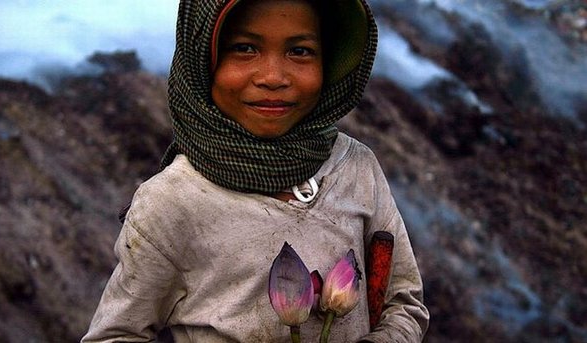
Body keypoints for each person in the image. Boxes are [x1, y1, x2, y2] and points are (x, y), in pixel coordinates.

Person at [82, 0, 429, 342]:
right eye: (245, 48)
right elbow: (116, 335)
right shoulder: (171, 203)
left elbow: (403, 303)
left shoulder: (356, 167)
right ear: (202, 59)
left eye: (301, 51)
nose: (274, 77)